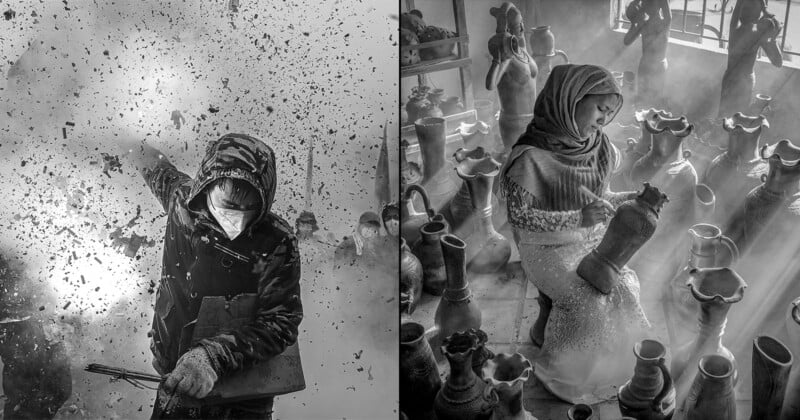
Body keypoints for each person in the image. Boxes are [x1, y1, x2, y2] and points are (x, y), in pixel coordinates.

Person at [499, 64, 649, 404]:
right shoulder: (530, 157)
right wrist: (577, 217)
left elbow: (601, 200)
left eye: (610, 113)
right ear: (570, 99)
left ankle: (610, 369)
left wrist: (632, 198)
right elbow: (521, 219)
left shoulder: (599, 147)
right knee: (589, 302)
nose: (603, 120)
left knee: (624, 287)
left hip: (588, 242)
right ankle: (564, 373)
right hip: (544, 248)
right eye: (599, 108)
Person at [124, 133, 302, 419]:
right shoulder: (181, 200)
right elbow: (155, 166)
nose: (236, 219)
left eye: (248, 209)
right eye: (227, 205)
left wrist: (212, 357)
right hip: (178, 375)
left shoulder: (277, 241)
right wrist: (123, 139)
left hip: (244, 393)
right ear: (206, 187)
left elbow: (281, 322)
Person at [719, 0, 782, 117]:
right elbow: (778, 62)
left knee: (726, 118)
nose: (745, 12)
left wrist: (771, 38)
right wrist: (772, 37)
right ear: (758, 15)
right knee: (736, 118)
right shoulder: (758, 34)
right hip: (740, 81)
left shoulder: (736, 29)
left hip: (734, 80)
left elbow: (778, 62)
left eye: (748, 9)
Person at [623, 0, 671, 108]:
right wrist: (633, 23)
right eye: (645, 3)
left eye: (650, 3)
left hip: (658, 66)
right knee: (642, 101)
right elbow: (627, 41)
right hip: (645, 65)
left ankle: (651, 121)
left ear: (659, 6)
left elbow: (664, 5)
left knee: (655, 102)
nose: (646, 6)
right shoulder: (644, 24)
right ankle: (642, 121)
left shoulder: (665, 22)